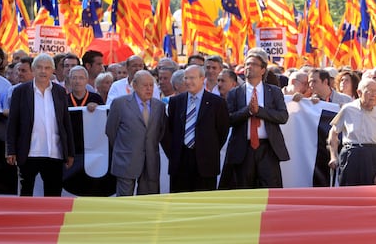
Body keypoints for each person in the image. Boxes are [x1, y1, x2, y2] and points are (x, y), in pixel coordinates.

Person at [5, 53, 75, 196]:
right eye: (40, 67)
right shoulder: (20, 91)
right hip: (28, 151)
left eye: (47, 68)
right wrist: (10, 149)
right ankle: (25, 219)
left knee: (54, 194)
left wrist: (70, 152)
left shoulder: (60, 91)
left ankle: (52, 219)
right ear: (33, 69)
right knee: (26, 193)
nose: (43, 71)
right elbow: (12, 123)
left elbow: (66, 123)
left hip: (54, 151)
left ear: (53, 70)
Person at [226, 47, 289, 189]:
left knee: (270, 189)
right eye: (247, 64)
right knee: (244, 190)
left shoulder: (273, 92)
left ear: (262, 70)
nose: (249, 67)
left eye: (253, 64)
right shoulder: (235, 93)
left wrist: (259, 111)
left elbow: (283, 116)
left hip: (268, 148)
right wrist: (247, 111)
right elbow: (229, 119)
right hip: (243, 150)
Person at [164, 65, 229, 193]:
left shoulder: (217, 103)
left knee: (203, 204)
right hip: (180, 163)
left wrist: (208, 148)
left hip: (206, 163)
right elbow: (170, 130)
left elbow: (222, 132)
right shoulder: (175, 102)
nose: (188, 81)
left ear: (202, 79)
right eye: (186, 78)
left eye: (192, 78)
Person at [106, 70, 166, 196]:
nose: (149, 89)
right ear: (134, 85)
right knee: (124, 199)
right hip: (126, 159)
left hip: (150, 160)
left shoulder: (159, 106)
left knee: (148, 200)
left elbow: (160, 132)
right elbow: (111, 131)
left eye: (151, 85)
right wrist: (123, 148)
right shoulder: (120, 104)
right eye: (145, 85)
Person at [328, 78, 376, 186]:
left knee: (370, 197)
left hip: (372, 158)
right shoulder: (348, 109)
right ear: (359, 92)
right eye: (369, 91)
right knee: (348, 194)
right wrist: (333, 156)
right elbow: (333, 133)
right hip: (350, 155)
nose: (374, 95)